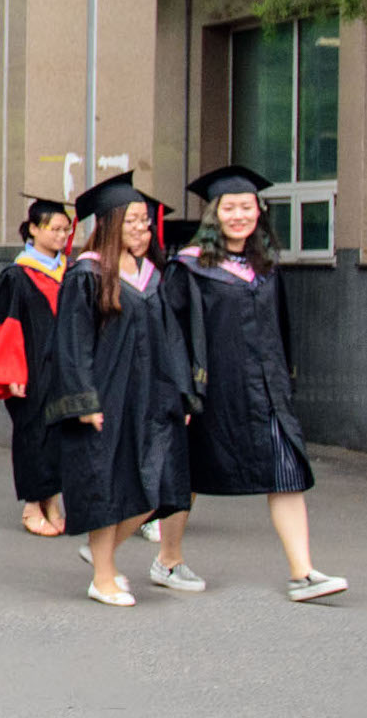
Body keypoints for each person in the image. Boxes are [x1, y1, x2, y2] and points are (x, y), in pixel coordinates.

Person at [158, 165, 345, 603]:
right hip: (211, 391)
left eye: (247, 207)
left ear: (258, 212)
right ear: (215, 214)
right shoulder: (190, 267)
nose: (240, 215)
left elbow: (280, 329)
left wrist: (284, 382)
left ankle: (303, 573)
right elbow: (171, 333)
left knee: (287, 472)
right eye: (230, 208)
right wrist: (180, 390)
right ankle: (167, 558)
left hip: (265, 392)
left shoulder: (265, 267)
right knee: (189, 475)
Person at [48, 175, 190, 606]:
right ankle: (103, 576)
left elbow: (171, 339)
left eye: (145, 221)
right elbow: (72, 344)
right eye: (131, 220)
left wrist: (181, 393)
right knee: (107, 487)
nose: (140, 228)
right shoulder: (87, 274)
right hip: (106, 399)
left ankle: (101, 555)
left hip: (149, 397)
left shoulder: (151, 275)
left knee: (154, 487)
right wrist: (84, 401)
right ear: (110, 223)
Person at [0, 197, 74, 536]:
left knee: (61, 433)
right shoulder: (16, 276)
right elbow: (4, 327)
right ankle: (32, 504)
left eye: (66, 229)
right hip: (29, 370)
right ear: (33, 229)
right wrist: (11, 374)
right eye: (54, 228)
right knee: (35, 434)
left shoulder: (70, 272)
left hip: (63, 367)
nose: (62, 235)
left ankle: (53, 499)